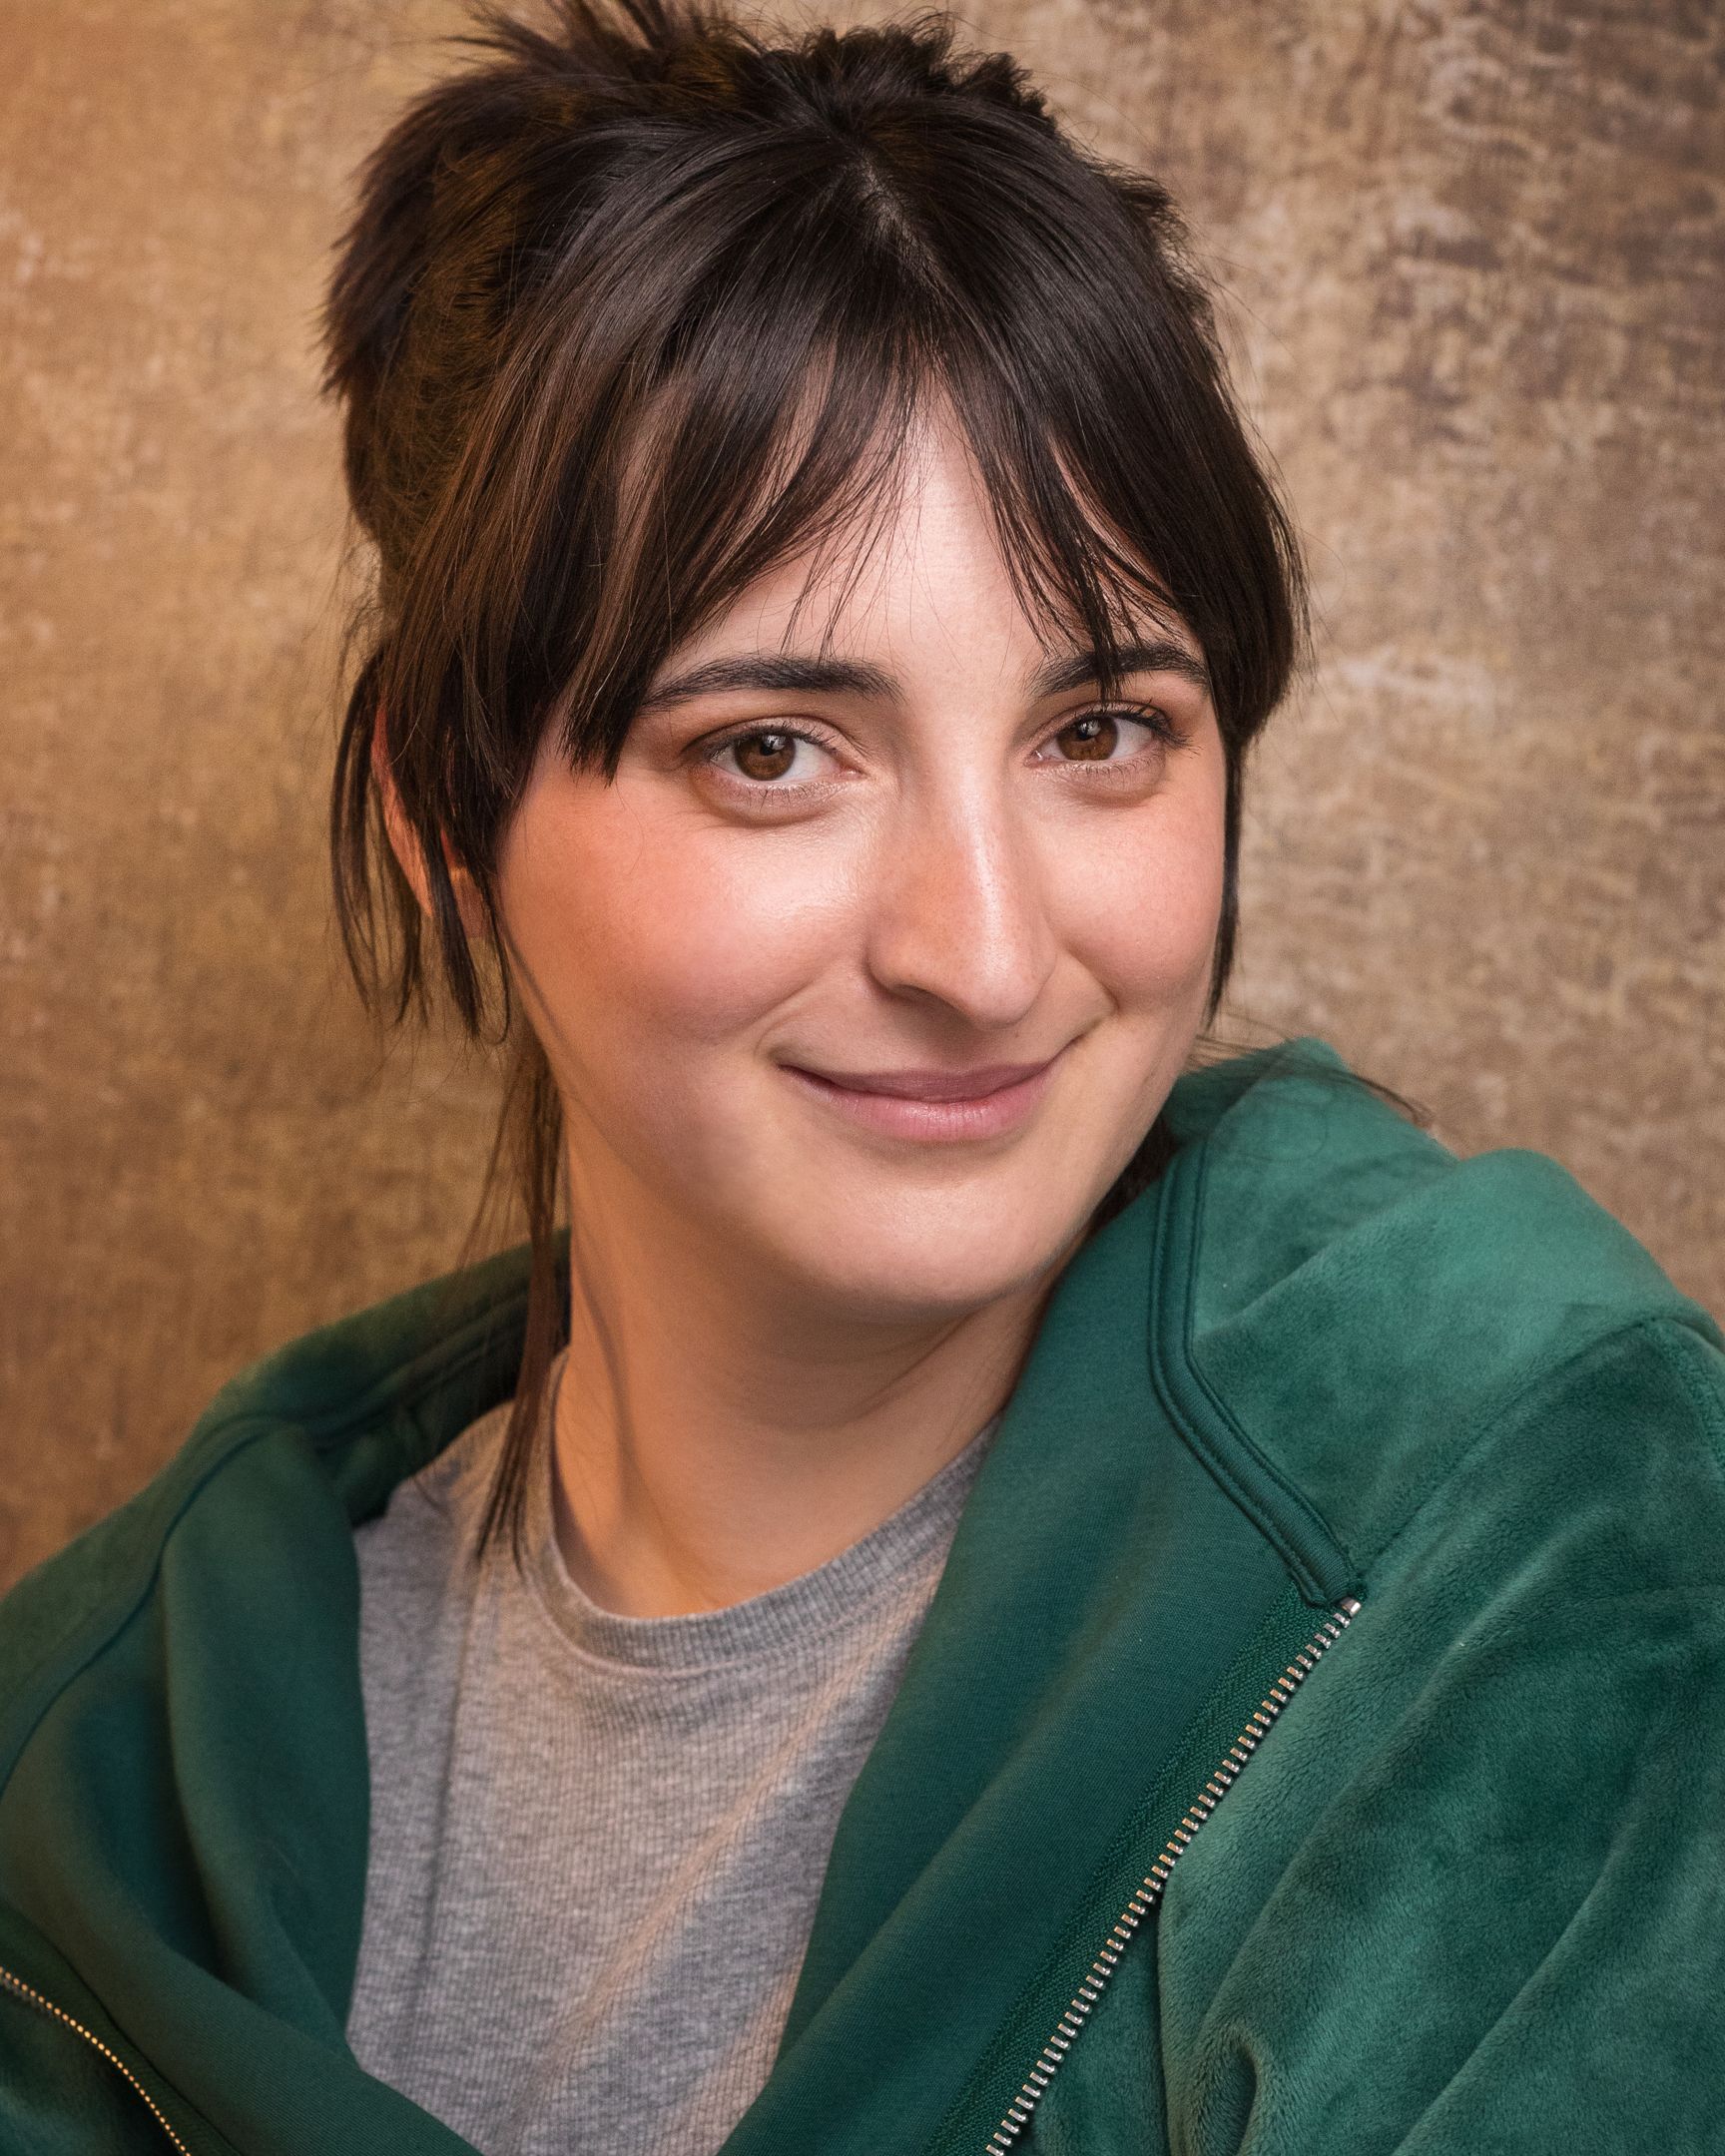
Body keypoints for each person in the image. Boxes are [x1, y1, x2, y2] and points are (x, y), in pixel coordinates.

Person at [1, 1, 1721, 2150]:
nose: (984, 955)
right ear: (445, 820)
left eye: (1101, 731)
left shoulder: (1533, 1528)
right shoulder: (78, 1775)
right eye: (771, 752)